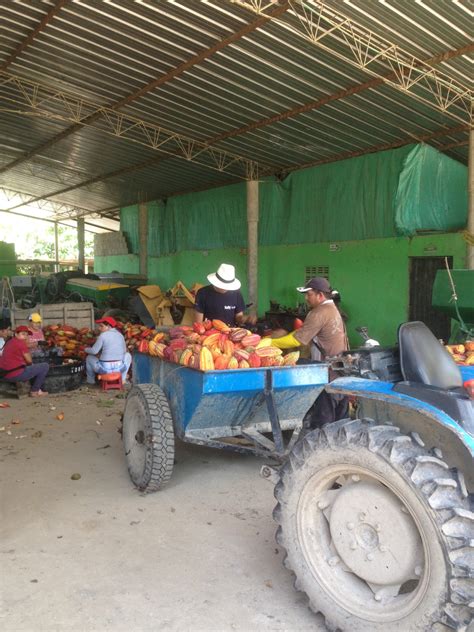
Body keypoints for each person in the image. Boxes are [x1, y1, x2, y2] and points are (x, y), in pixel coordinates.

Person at [271, 277, 349, 427]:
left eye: (309, 294)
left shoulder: (319, 312)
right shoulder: (333, 309)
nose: (306, 298)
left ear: (320, 295)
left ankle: (319, 444)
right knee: (339, 421)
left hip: (326, 371)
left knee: (323, 420)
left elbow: (297, 340)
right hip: (340, 370)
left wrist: (271, 342)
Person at [0, 326, 49, 396]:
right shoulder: (21, 343)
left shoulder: (10, 341)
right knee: (45, 366)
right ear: (16, 334)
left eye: (26, 335)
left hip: (3, 374)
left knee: (32, 367)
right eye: (23, 334)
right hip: (13, 375)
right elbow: (29, 361)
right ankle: (35, 391)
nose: (25, 337)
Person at [84, 316, 131, 385]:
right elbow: (124, 351)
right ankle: (123, 379)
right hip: (119, 368)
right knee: (128, 355)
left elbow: (94, 351)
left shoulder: (103, 335)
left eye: (101, 326)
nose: (99, 328)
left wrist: (85, 349)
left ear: (108, 326)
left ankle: (90, 381)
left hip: (104, 370)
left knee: (89, 358)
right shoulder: (120, 335)